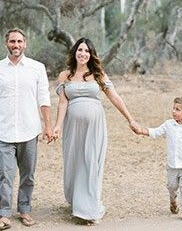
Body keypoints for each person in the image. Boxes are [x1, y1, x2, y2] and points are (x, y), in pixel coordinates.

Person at [0, 28, 53, 230]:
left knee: (28, 175)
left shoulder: (36, 67)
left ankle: (25, 209)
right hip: (4, 132)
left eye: (19, 41)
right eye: (12, 41)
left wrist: (48, 125)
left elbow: (44, 98)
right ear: (6, 43)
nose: (16, 45)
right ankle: (4, 214)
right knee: (4, 174)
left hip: (29, 130)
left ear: (25, 44)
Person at [52, 37, 137, 225]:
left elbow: (115, 97)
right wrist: (57, 126)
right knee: (74, 162)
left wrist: (130, 119)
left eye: (87, 51)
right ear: (75, 52)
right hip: (72, 128)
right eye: (80, 50)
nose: (83, 54)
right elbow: (63, 102)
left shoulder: (98, 75)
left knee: (91, 162)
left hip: (94, 127)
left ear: (91, 55)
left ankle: (87, 209)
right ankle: (76, 199)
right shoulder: (64, 76)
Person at [131, 97, 182, 221]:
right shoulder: (168, 125)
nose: (174, 111)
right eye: (174, 108)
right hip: (172, 165)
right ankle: (173, 201)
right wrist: (142, 131)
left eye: (178, 109)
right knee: (172, 186)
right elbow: (156, 132)